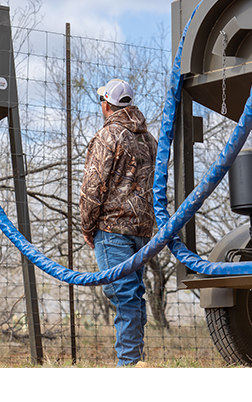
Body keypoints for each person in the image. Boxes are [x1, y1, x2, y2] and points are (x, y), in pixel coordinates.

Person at [79, 78, 158, 367]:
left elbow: (93, 186)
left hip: (112, 229)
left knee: (124, 295)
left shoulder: (108, 136)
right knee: (134, 294)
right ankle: (135, 360)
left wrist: (88, 227)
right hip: (142, 231)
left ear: (106, 104)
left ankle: (128, 364)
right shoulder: (149, 140)